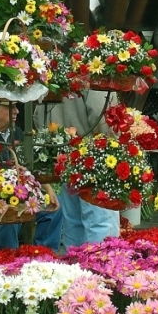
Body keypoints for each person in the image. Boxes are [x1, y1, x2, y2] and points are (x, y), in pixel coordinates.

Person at [0, 95, 63, 251]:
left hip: (19, 194)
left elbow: (31, 164)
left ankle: (44, 255)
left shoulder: (16, 131)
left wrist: (48, 189)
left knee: (53, 209)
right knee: (8, 213)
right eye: (11, 107)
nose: (17, 111)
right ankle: (9, 258)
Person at [46, 91, 121, 249]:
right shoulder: (93, 78)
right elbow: (102, 115)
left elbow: (40, 113)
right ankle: (101, 263)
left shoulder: (51, 76)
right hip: (95, 157)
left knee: (73, 222)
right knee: (101, 221)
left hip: (64, 156)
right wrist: (115, 139)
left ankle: (74, 263)